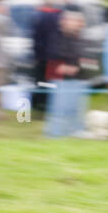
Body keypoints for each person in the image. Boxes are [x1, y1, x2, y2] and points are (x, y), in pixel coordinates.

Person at [44, 9, 89, 138]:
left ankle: (75, 135)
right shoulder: (55, 37)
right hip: (61, 82)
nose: (77, 23)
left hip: (79, 81)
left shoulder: (84, 40)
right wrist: (70, 67)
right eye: (69, 20)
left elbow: (91, 63)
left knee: (76, 111)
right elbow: (51, 58)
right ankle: (55, 136)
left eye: (78, 21)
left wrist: (76, 67)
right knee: (58, 111)